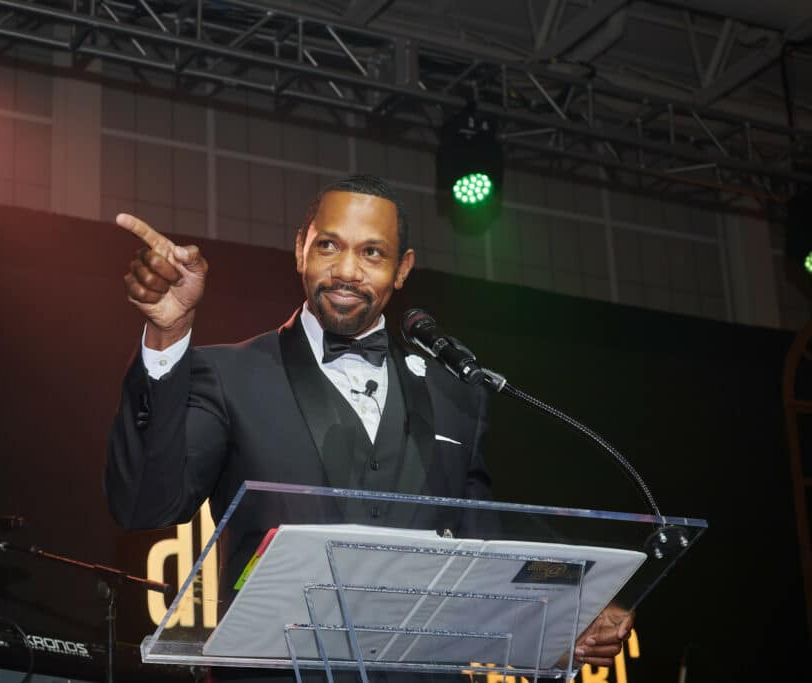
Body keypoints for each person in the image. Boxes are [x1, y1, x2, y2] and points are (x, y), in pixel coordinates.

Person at [105, 175, 632, 679]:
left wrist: (570, 610)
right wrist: (167, 331)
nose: (348, 271)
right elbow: (145, 505)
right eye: (329, 246)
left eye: (372, 253)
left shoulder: (455, 397)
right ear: (300, 250)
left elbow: (479, 536)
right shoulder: (228, 375)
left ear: (402, 269)